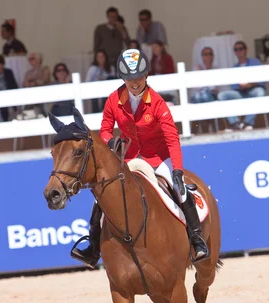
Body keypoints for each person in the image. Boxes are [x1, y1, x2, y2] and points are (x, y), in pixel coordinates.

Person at [71, 48, 209, 269]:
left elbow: (172, 139)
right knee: (100, 197)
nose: (134, 83)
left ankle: (197, 239)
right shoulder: (114, 100)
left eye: (138, 77)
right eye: (129, 78)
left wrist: (177, 169)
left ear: (146, 76)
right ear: (123, 78)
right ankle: (93, 248)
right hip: (129, 158)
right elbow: (105, 130)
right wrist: (111, 144)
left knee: (180, 191)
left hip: (157, 158)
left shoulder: (157, 103)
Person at [217, 41, 266, 131]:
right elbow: (234, 86)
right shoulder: (234, 67)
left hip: (253, 90)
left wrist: (250, 84)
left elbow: (262, 80)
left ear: (246, 50)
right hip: (241, 93)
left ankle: (247, 123)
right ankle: (235, 123)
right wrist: (242, 86)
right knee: (222, 95)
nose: (238, 51)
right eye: (236, 49)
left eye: (241, 49)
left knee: (261, 92)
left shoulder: (255, 62)